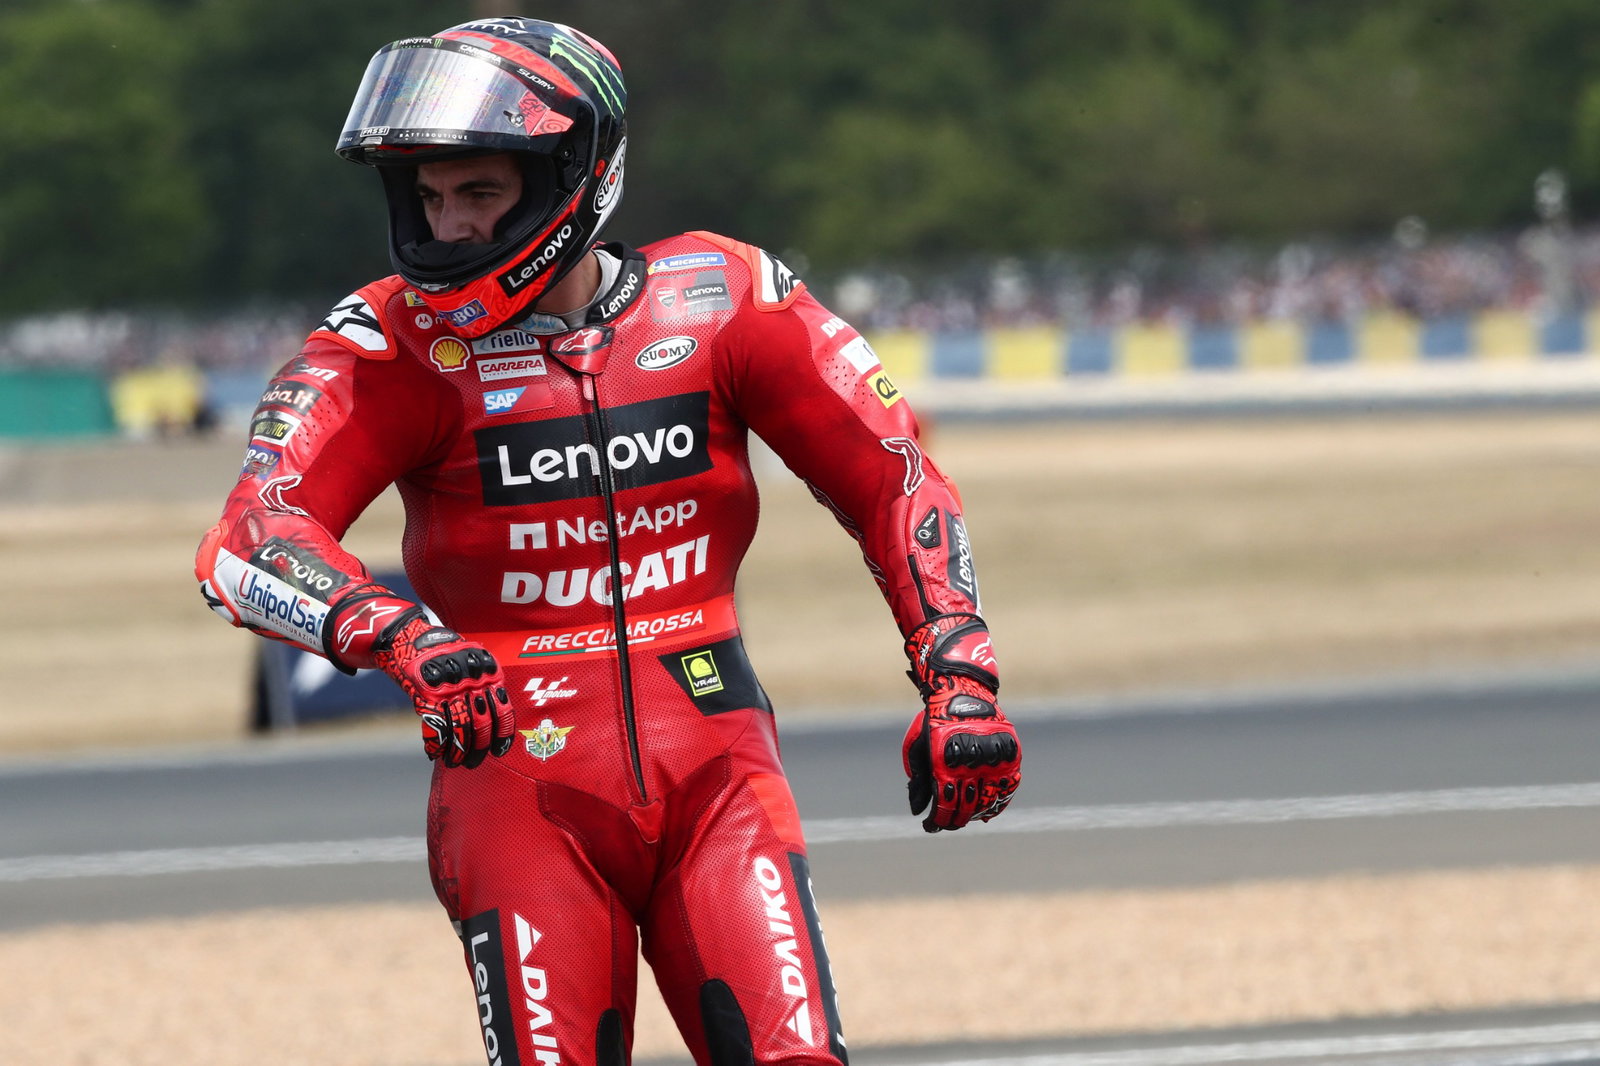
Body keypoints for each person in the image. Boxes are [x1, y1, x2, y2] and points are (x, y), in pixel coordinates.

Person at [194, 17, 1020, 1066]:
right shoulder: (387, 343)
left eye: (478, 193)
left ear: (572, 176)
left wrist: (959, 673)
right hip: (516, 800)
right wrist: (390, 631)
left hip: (722, 778)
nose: (445, 227)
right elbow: (243, 536)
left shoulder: (730, 296)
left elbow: (895, 473)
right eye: (427, 198)